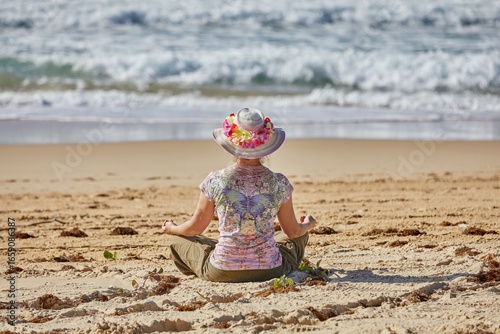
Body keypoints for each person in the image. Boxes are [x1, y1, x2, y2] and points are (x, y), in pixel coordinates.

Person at [161, 107, 317, 282]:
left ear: (231, 145)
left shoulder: (216, 180)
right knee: (297, 235)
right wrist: (308, 224)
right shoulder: (279, 182)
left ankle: (207, 267)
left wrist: (171, 229)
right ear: (266, 148)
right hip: (270, 269)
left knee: (177, 241)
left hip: (222, 269)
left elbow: (196, 227)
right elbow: (293, 230)